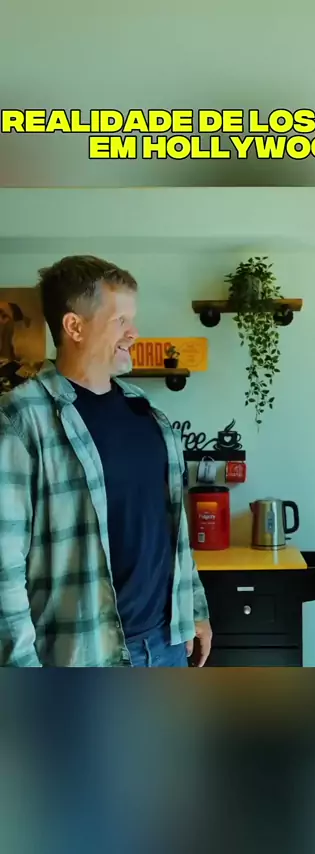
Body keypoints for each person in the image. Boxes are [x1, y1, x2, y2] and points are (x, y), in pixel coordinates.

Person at [0, 255, 212, 667]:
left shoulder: (147, 412)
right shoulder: (21, 420)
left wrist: (195, 608)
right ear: (74, 327)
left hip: (167, 643)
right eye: (121, 321)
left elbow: (171, 528)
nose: (134, 333)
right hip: (83, 656)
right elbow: (4, 567)